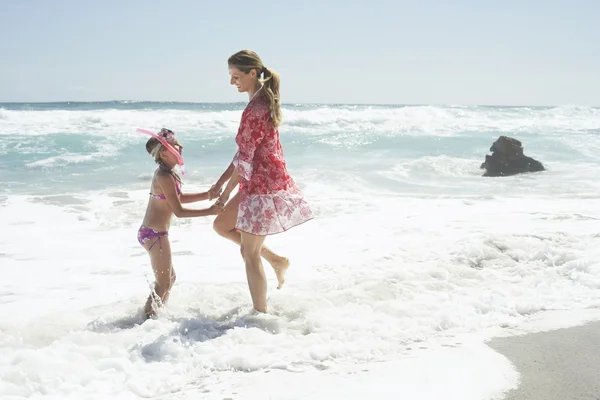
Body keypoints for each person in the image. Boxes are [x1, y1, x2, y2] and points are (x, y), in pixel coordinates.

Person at [210, 50, 313, 313]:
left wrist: (224, 194)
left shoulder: (256, 108)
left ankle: (260, 316)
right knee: (222, 225)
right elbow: (244, 153)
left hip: (262, 187)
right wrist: (220, 183)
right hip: (256, 183)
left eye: (236, 76)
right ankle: (277, 260)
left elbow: (246, 158)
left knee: (249, 254)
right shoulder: (258, 102)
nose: (233, 82)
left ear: (252, 73)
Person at [138, 128, 223, 319]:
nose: (181, 146)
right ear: (164, 152)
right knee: (163, 283)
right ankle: (145, 321)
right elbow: (179, 211)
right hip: (155, 234)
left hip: (152, 233)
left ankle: (155, 316)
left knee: (170, 279)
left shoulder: (168, 173)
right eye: (176, 144)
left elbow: (177, 198)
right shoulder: (164, 176)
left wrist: (207, 195)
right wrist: (209, 211)